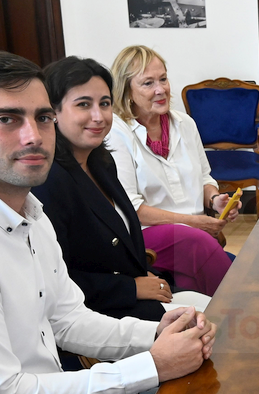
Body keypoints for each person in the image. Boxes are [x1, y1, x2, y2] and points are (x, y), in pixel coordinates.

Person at [0, 50, 216, 394]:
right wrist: (151, 364)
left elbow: (70, 321)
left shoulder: (31, 213)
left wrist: (157, 332)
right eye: (8, 119)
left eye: (43, 117)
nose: (34, 136)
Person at [32, 56, 169, 322]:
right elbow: (53, 279)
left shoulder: (101, 161)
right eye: (84, 104)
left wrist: (141, 277)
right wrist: (131, 287)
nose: (99, 116)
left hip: (135, 303)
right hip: (94, 317)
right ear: (53, 113)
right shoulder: (48, 180)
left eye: (104, 104)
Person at [107, 45, 237, 296]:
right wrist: (193, 223)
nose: (161, 89)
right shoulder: (117, 132)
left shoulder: (185, 123)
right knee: (199, 244)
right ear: (127, 91)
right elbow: (132, 209)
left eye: (163, 79)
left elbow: (204, 178)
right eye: (148, 83)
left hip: (192, 237)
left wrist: (215, 199)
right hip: (146, 235)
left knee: (239, 268)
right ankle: (239, 315)